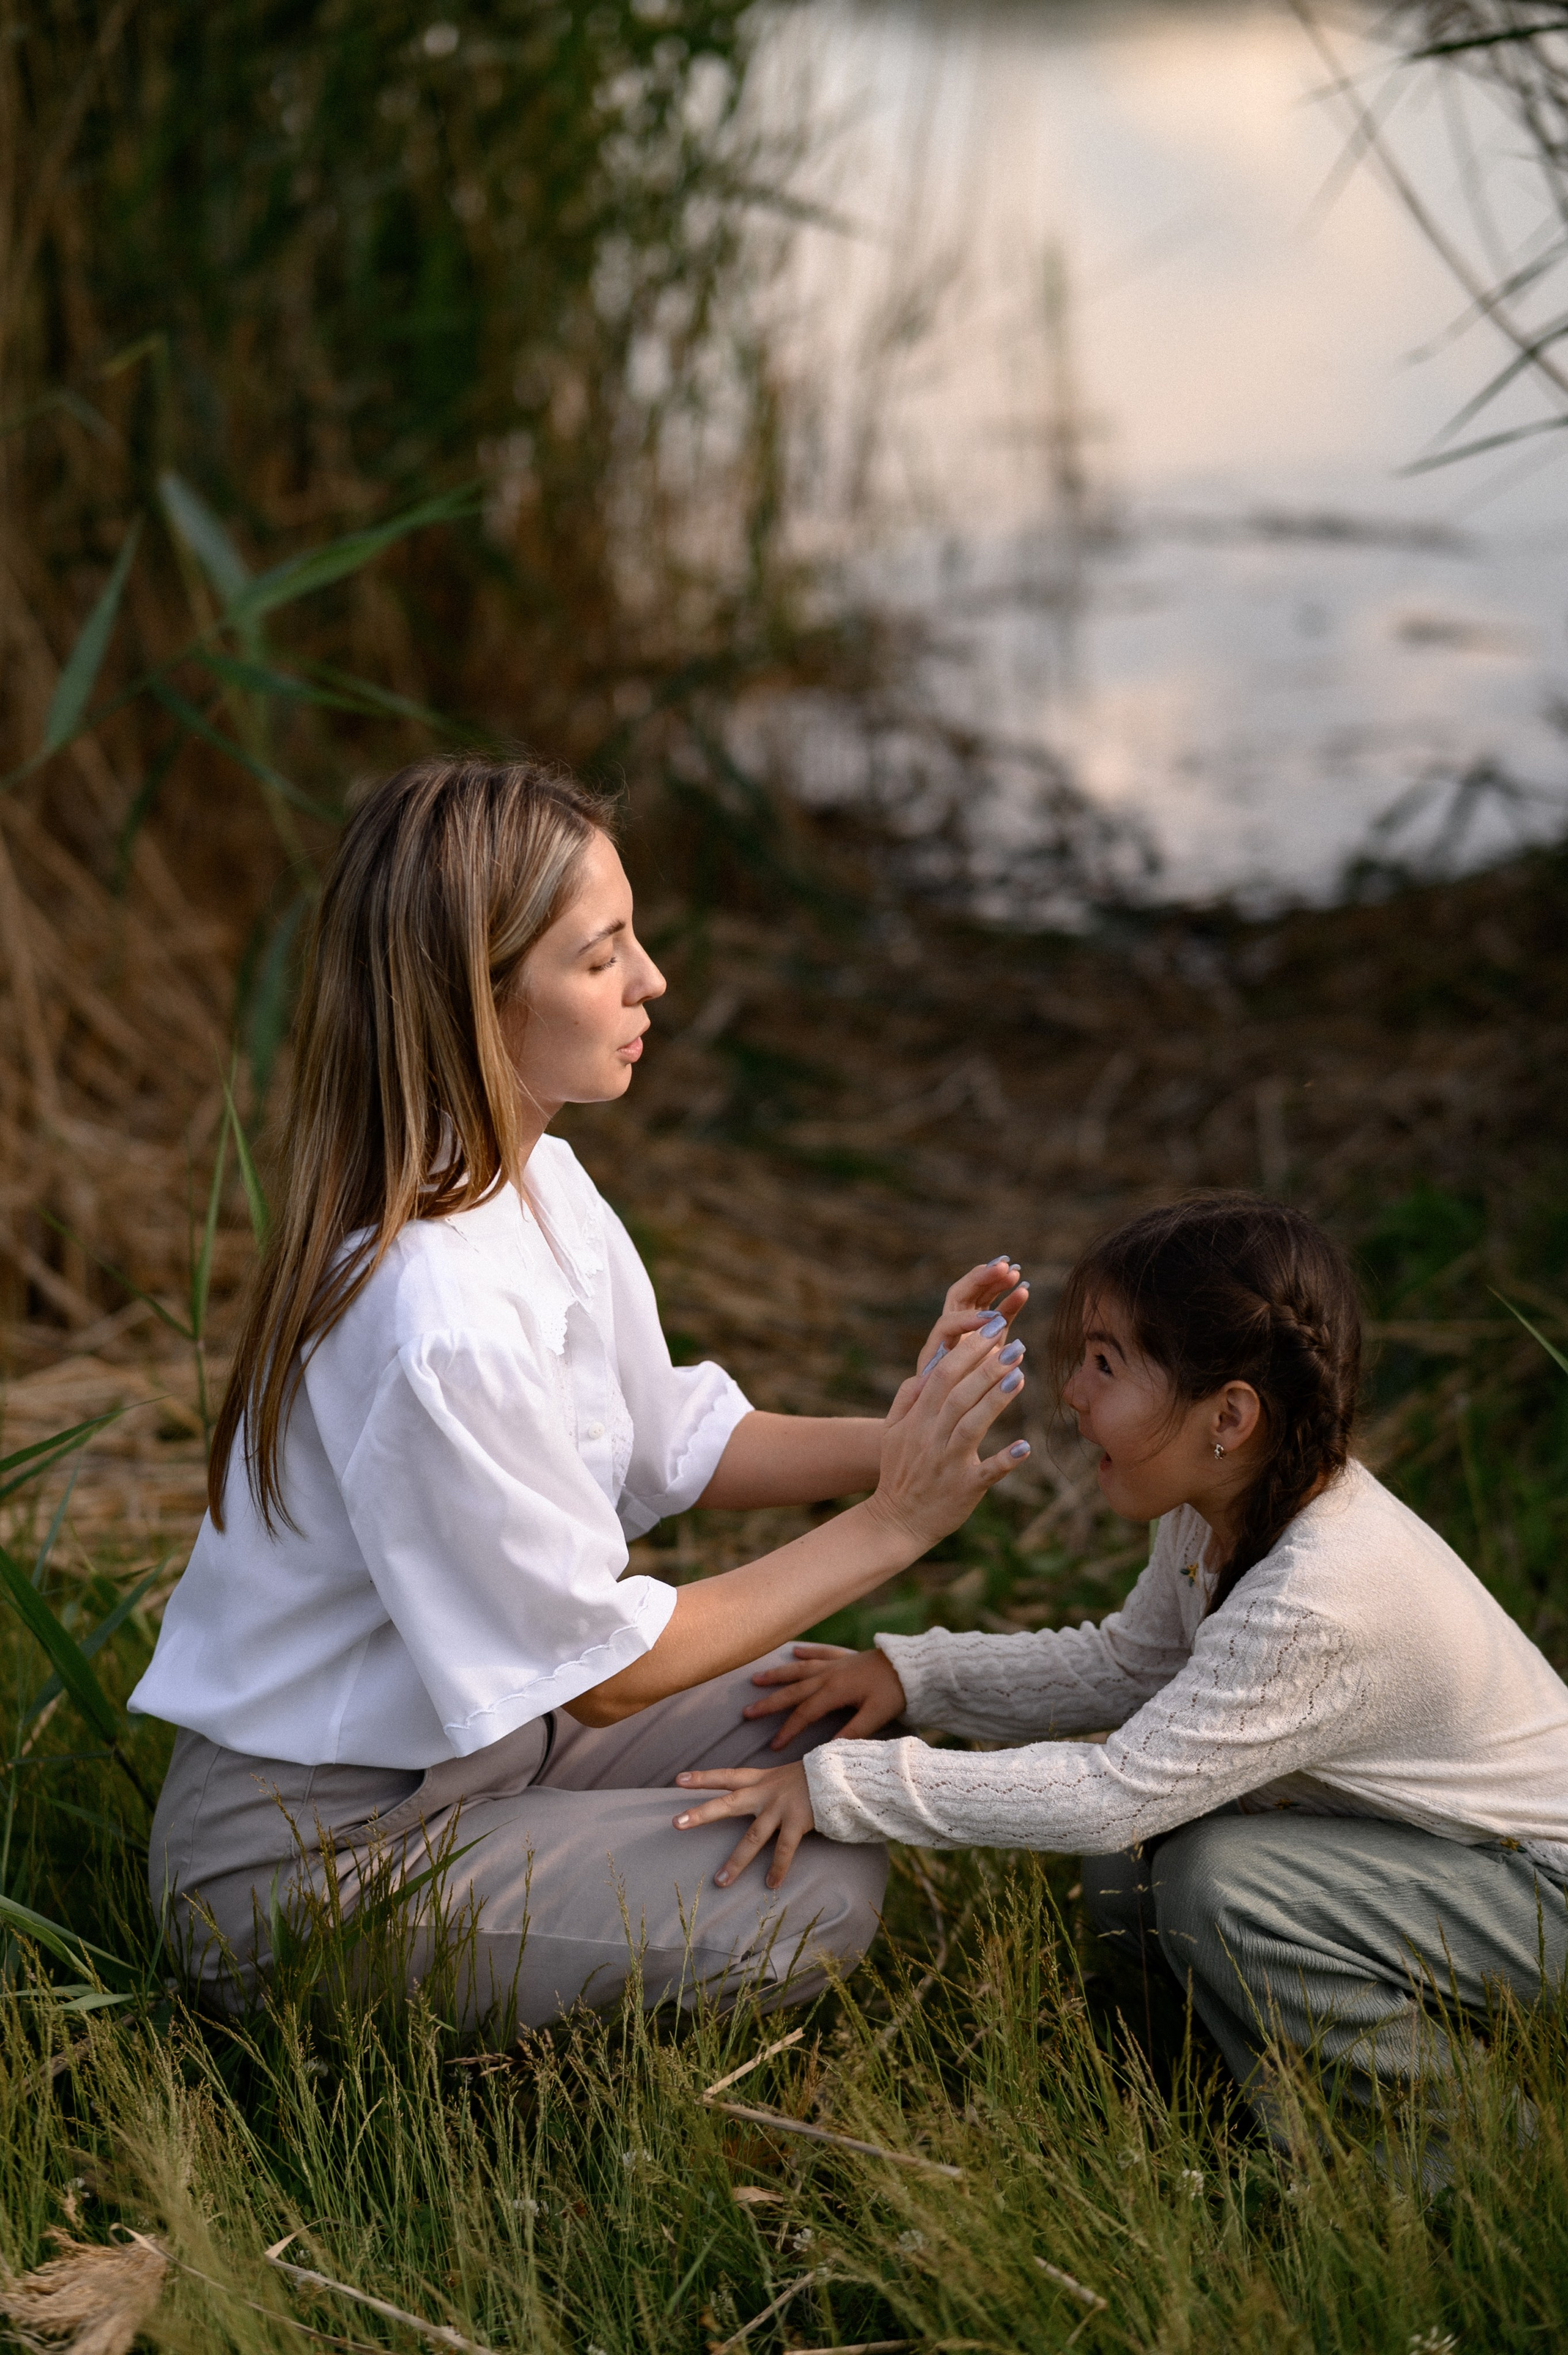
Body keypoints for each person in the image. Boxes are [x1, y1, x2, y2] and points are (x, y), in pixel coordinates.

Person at [132, 755, 1033, 2027]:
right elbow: (601, 1674)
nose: (651, 978)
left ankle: (560, 1862)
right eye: (601, 953)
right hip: (310, 1854)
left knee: (832, 1715)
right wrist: (894, 1518)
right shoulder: (438, 1312)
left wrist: (912, 1428)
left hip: (490, 1746)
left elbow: (670, 1439)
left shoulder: (534, 1177)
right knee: (812, 1886)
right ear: (481, 998)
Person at [674, 1195, 1568, 2126]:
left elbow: (1109, 1794)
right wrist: (914, 1677)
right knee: (1142, 1863)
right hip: (1449, 1858)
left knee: (1217, 1882)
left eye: (1106, 1364)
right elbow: (1131, 1665)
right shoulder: (1221, 1509)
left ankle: (1459, 2150)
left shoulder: (1321, 1597)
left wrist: (838, 1788)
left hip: (1538, 1894)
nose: (1072, 1393)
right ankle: (1206, 2098)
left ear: (1228, 1416)